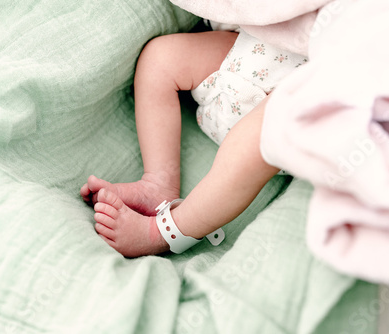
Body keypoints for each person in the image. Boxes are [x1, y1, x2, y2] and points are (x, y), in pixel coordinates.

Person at [80, 27, 306, 258]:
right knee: (160, 58)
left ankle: (165, 232)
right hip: (261, 48)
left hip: (307, 89)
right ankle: (158, 183)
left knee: (260, 134)